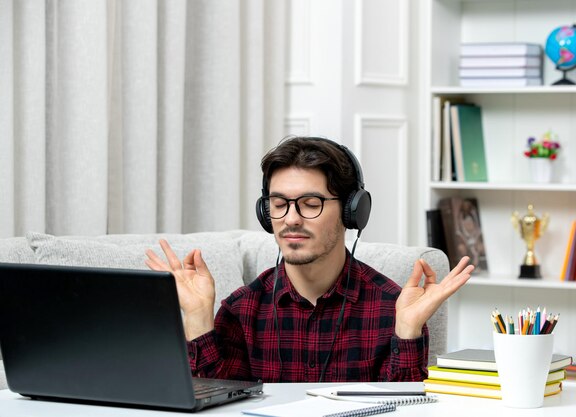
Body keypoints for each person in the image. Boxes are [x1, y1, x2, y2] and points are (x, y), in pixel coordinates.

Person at [145, 137, 473, 382]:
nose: (291, 219)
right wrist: (199, 318)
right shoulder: (241, 311)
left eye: (311, 203)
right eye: (279, 204)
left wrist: (407, 329)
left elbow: (406, 414)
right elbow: (214, 408)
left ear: (352, 211)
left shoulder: (393, 308)